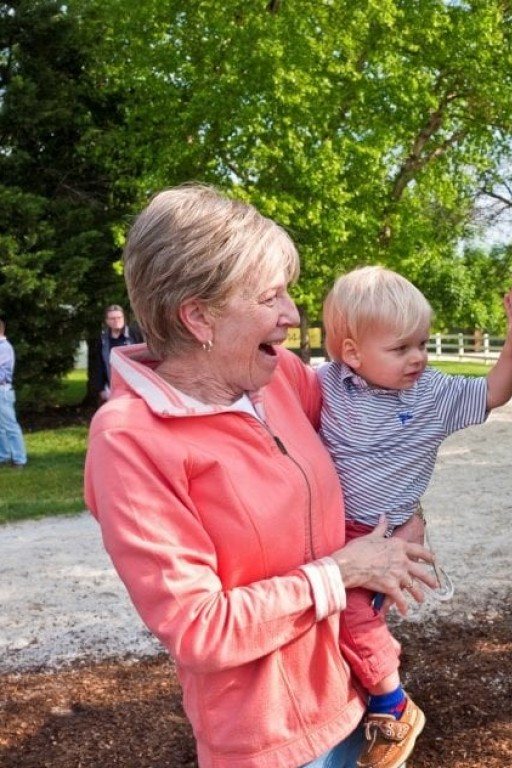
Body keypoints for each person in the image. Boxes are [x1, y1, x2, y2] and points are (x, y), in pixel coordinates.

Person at [84, 184, 439, 768]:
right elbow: (200, 627)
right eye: (271, 297)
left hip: (355, 705)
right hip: (267, 744)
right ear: (198, 315)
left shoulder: (279, 378)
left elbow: (375, 438)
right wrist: (343, 572)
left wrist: (407, 517)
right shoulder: (128, 440)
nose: (292, 315)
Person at [317, 266, 512, 768]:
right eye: (401, 348)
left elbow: (494, 392)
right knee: (326, 618)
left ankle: (392, 703)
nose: (418, 358)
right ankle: (366, 690)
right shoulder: (327, 384)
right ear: (351, 353)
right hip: (333, 528)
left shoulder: (430, 394)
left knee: (350, 615)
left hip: (383, 531)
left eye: (423, 344)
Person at [99, 304, 144, 400]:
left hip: (135, 385)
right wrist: (101, 388)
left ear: (124, 318)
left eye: (119, 317)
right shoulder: (103, 339)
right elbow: (100, 365)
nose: (116, 321)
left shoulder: (135, 334)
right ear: (107, 321)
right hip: (112, 386)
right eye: (112, 318)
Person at [0, 318, 28, 469]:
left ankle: (19, 459)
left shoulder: (3, 348)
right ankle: (3, 456)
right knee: (1, 427)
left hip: (2, 390)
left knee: (10, 426)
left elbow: (2, 374)